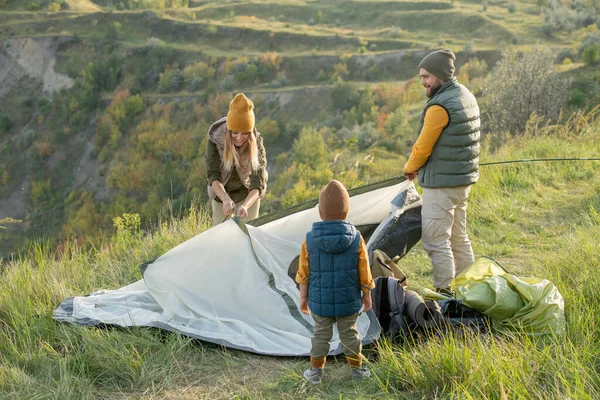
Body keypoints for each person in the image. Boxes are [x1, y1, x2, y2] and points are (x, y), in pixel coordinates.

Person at [403, 49, 480, 295]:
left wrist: (409, 168)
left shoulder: (439, 107)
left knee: (436, 240)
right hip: (461, 182)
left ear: (439, 76)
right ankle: (470, 289)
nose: (423, 82)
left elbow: (423, 147)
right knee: (459, 238)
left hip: (442, 186)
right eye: (421, 77)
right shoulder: (465, 95)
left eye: (426, 76)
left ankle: (445, 294)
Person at [295, 180, 375, 384]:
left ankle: (315, 373)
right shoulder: (356, 238)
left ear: (320, 212)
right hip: (348, 301)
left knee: (321, 335)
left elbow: (303, 274)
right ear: (346, 212)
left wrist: (303, 299)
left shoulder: (309, 240)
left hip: (319, 302)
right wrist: (367, 295)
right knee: (349, 334)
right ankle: (356, 372)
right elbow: (364, 272)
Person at [205, 93, 267, 225]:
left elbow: (257, 182)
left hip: (248, 191)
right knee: (222, 235)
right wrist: (225, 199)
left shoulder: (257, 142)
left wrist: (246, 206)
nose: (239, 138)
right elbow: (213, 175)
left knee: (250, 231)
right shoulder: (215, 140)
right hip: (221, 191)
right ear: (229, 130)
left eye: (245, 133)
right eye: (235, 132)